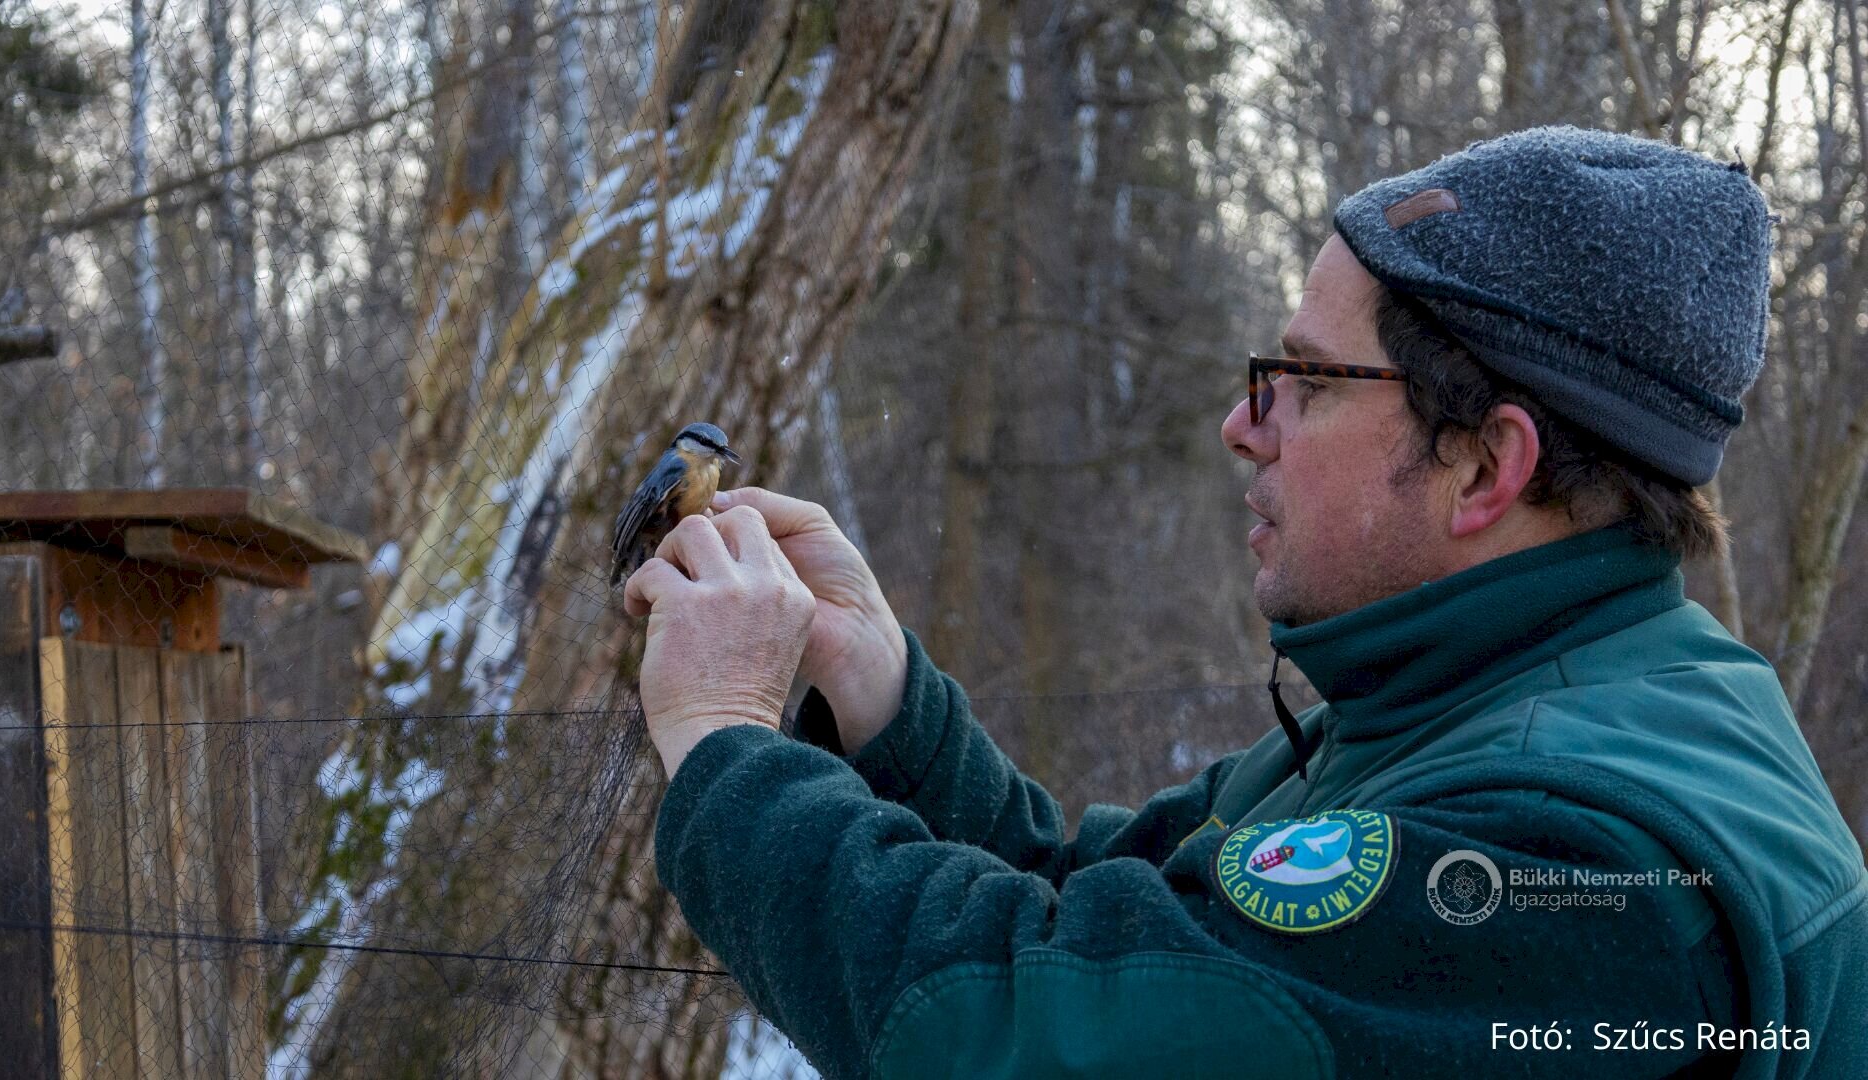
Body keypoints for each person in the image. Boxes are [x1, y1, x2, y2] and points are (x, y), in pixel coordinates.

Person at [620, 127, 1867, 1079]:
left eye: (1306, 382)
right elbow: (1108, 922)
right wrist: (878, 687)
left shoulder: (1574, 865)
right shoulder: (1463, 710)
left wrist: (725, 734)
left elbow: (1039, 1033)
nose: (1241, 424)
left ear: (1486, 466)